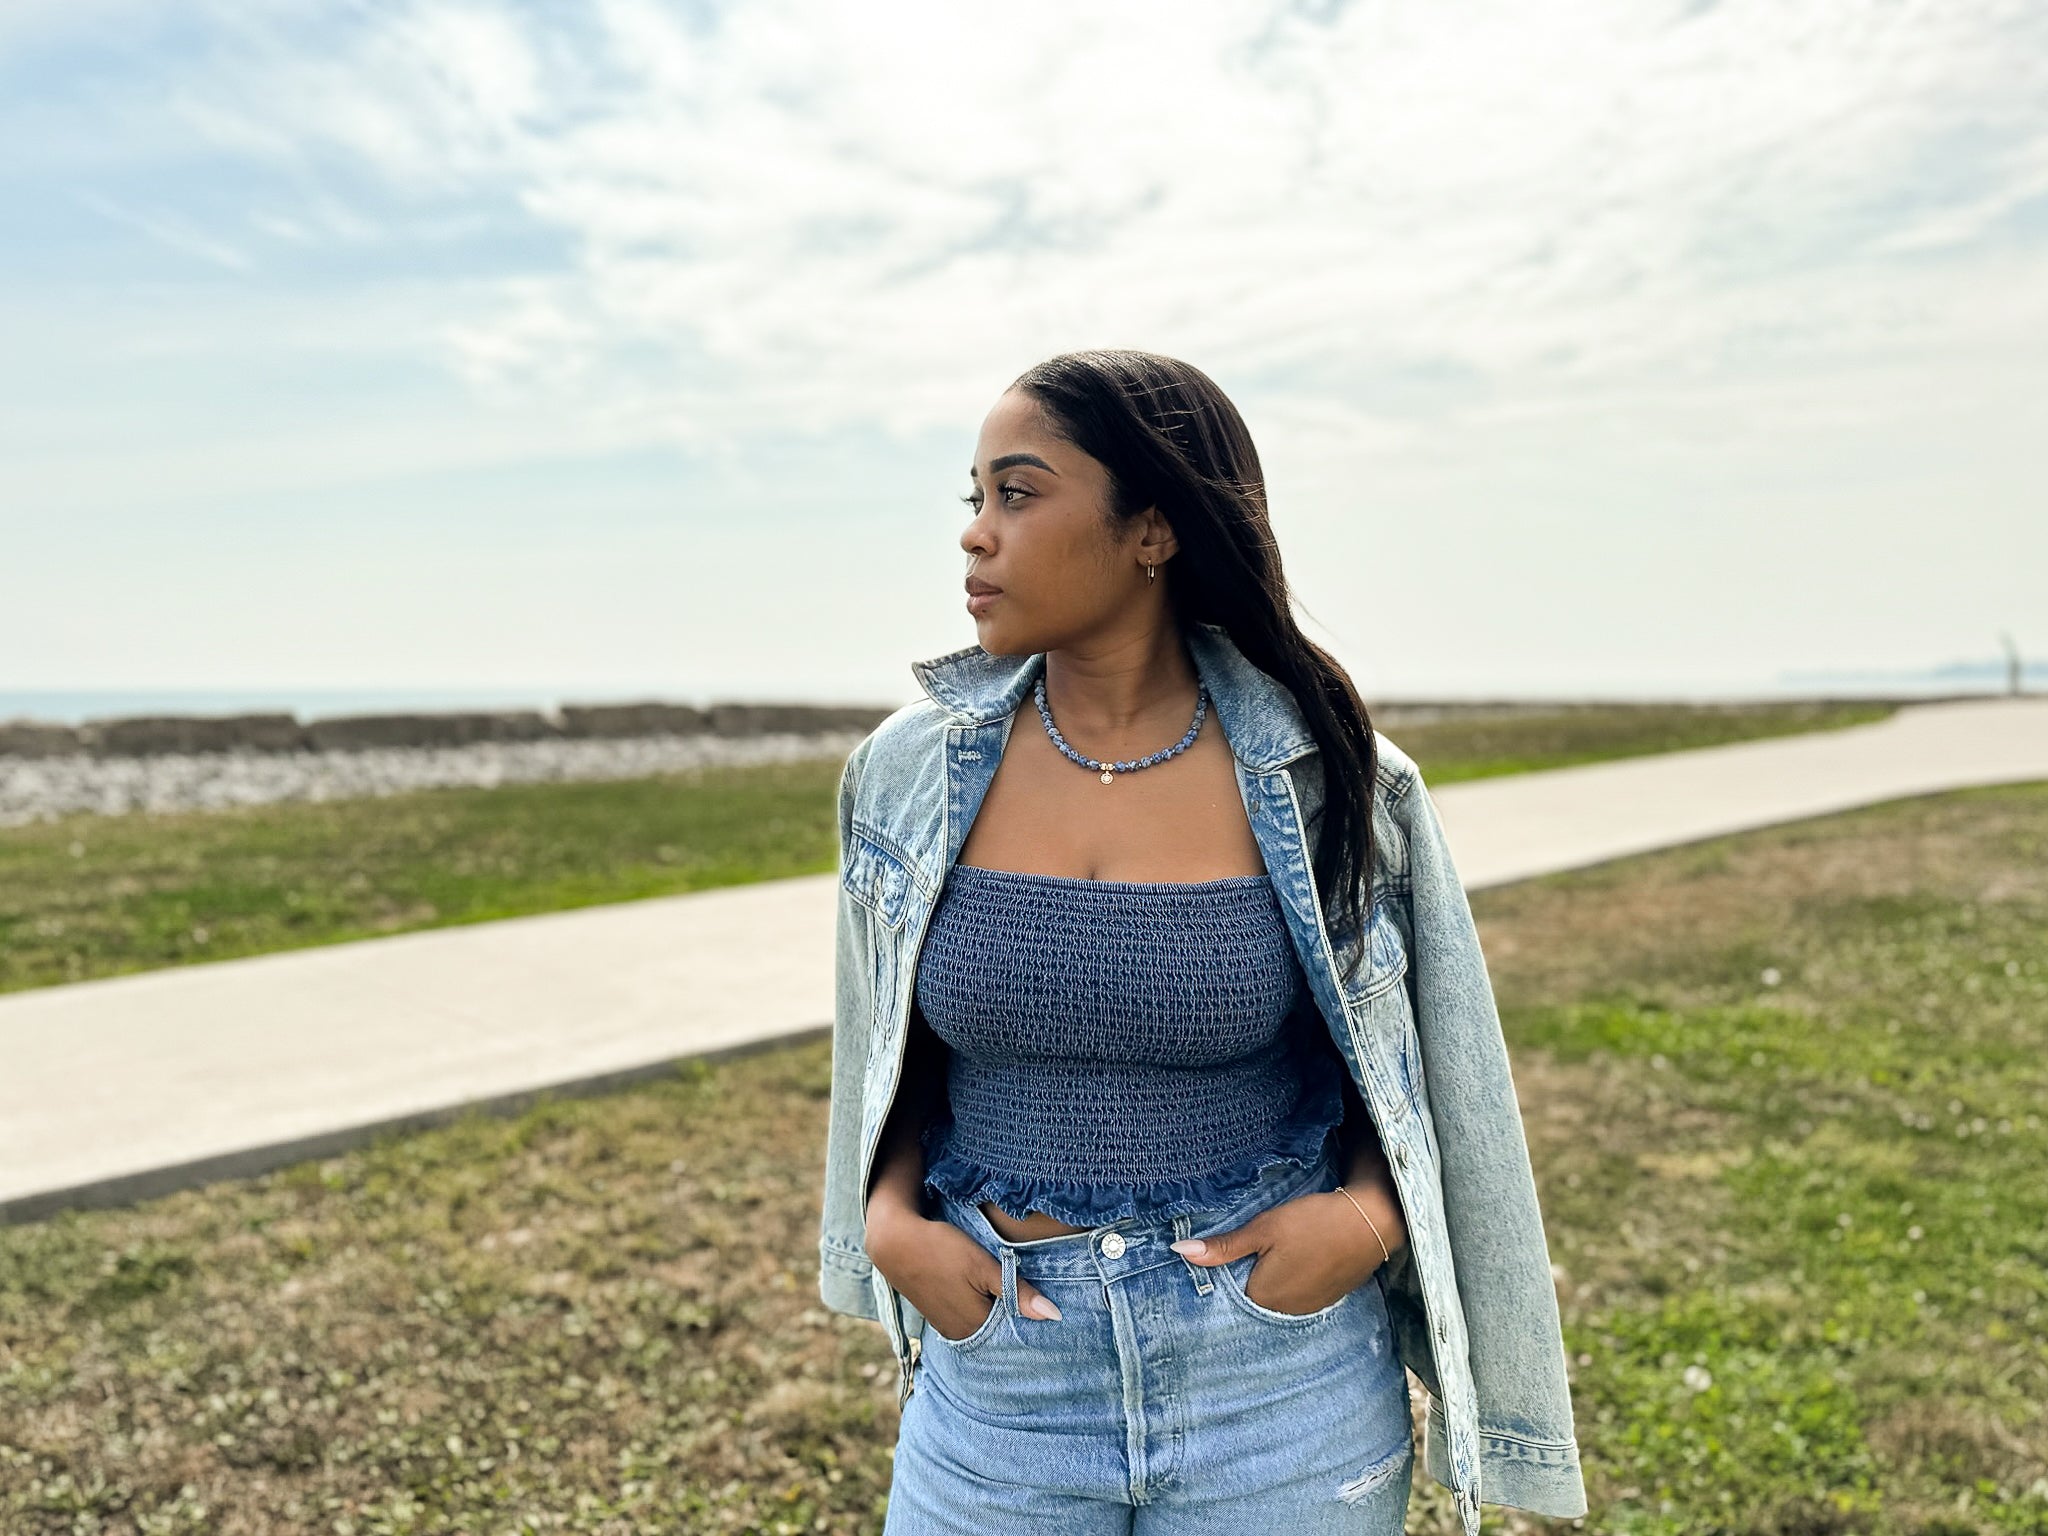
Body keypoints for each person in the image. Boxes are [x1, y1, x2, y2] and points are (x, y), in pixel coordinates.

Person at [817, 349, 1588, 1535]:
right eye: (973, 500)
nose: (976, 536)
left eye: (1017, 494)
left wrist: (1366, 1223)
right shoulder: (904, 773)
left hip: (1274, 1379)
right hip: (1003, 1375)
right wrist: (885, 1220)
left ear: (1153, 530)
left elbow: (1437, 1075)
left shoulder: (1337, 782)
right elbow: (884, 1057)